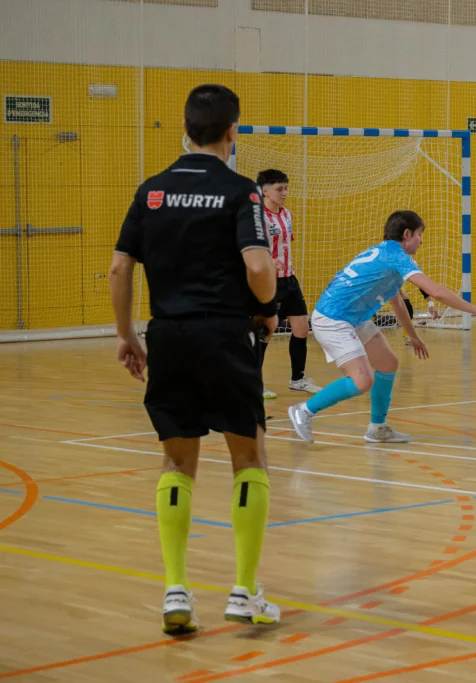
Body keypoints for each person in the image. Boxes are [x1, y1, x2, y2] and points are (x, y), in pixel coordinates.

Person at [109, 84, 280, 634]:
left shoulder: (151, 190)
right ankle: (243, 591)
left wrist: (126, 335)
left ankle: (176, 590)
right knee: (249, 459)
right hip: (226, 336)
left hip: (170, 337)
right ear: (234, 130)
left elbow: (119, 268)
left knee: (177, 463)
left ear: (186, 130)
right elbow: (257, 267)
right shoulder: (240, 192)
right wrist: (270, 307)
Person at [287, 210, 476, 444]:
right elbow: (436, 291)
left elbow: (396, 299)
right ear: (407, 234)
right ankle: (303, 410)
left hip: (352, 317)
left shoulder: (386, 254)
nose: (421, 240)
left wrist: (413, 336)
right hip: (333, 319)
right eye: (419, 235)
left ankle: (377, 428)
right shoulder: (396, 256)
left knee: (388, 363)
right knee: (363, 381)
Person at [255, 168, 321, 399]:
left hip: (290, 280)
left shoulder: (286, 214)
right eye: (279, 189)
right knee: (265, 332)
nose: (284, 193)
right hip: (267, 282)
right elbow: (247, 248)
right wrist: (268, 260)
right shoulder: (256, 217)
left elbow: (285, 244)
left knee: (302, 329)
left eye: (286, 189)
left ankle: (298, 379)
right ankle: (254, 382)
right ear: (265, 191)